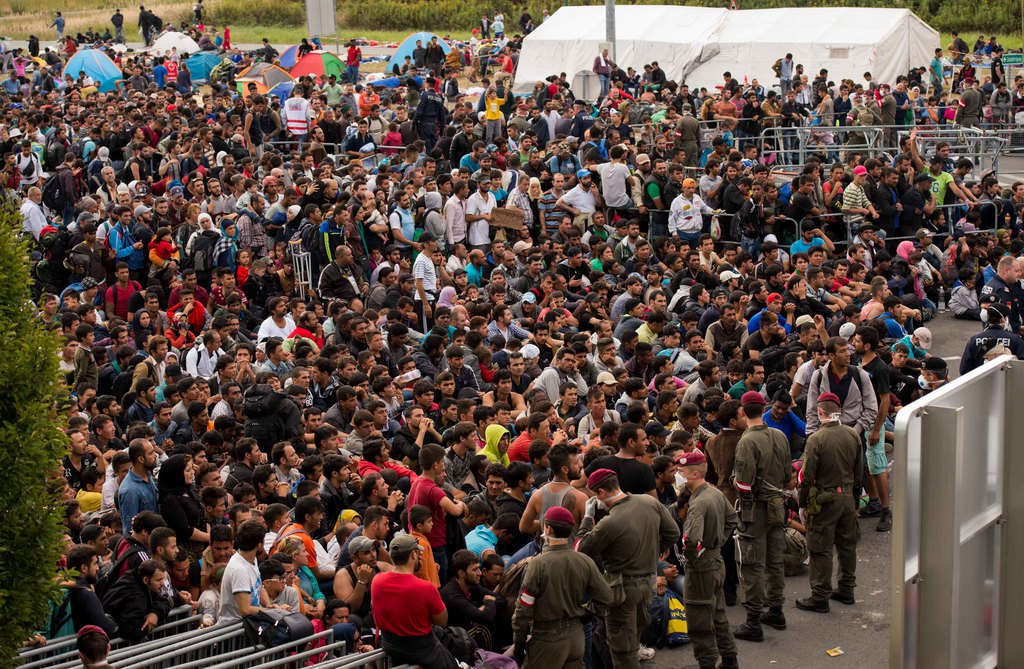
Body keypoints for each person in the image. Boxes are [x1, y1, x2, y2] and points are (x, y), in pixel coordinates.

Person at [577, 468, 680, 667]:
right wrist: (655, 549)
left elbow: (582, 547)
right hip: (648, 584)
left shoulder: (609, 522)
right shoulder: (649, 502)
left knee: (623, 650)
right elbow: (672, 532)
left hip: (622, 589)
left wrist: (588, 518)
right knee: (634, 639)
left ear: (601, 493)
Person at [511, 506, 614, 668]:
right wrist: (584, 612)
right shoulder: (584, 561)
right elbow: (606, 597)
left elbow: (523, 610)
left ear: (548, 528)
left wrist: (519, 644)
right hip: (576, 638)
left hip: (547, 641)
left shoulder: (537, 565)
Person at [795, 392, 863, 612]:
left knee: (821, 549)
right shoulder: (852, 434)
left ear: (820, 412)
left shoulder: (816, 439)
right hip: (847, 498)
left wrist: (803, 503)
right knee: (847, 546)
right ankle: (847, 589)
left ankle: (820, 596)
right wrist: (854, 500)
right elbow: (859, 471)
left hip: (825, 500)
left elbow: (806, 477)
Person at [731, 391, 789, 642]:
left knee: (752, 564)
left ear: (743, 412)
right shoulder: (779, 435)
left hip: (755, 511)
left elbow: (744, 485)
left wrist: (734, 480)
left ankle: (753, 621)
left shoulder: (747, 441)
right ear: (763, 408)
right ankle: (776, 610)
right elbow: (787, 476)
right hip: (778, 506)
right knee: (775, 561)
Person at [677, 449, 739, 669]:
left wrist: (692, 559)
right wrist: (718, 541)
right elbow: (732, 519)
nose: (678, 474)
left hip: (702, 568)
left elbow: (691, 541)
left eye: (681, 471)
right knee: (718, 614)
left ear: (693, 475)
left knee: (699, 621)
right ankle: (730, 659)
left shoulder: (697, 504)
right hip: (716, 561)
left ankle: (707, 662)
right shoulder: (714, 493)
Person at [371, 534, 459, 669]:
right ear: (413, 554)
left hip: (390, 645)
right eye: (418, 553)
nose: (419, 556)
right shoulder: (425, 587)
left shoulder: (377, 580)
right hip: (420, 650)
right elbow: (442, 621)